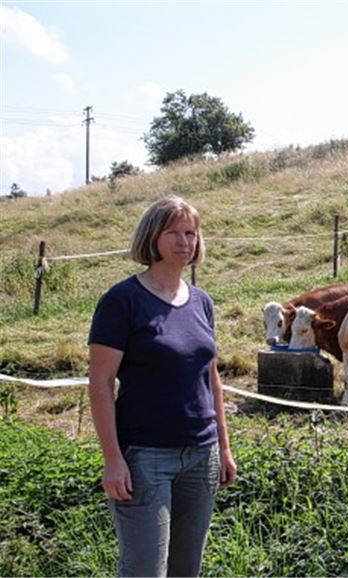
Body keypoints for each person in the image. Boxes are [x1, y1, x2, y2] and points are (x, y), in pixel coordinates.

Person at [88, 195, 238, 577]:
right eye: (173, 233)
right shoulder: (122, 301)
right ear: (152, 238)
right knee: (144, 571)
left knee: (186, 569)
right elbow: (101, 381)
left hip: (201, 455)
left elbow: (211, 377)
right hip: (145, 456)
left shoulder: (202, 302)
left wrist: (223, 447)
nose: (184, 241)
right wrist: (112, 459)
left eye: (191, 233)